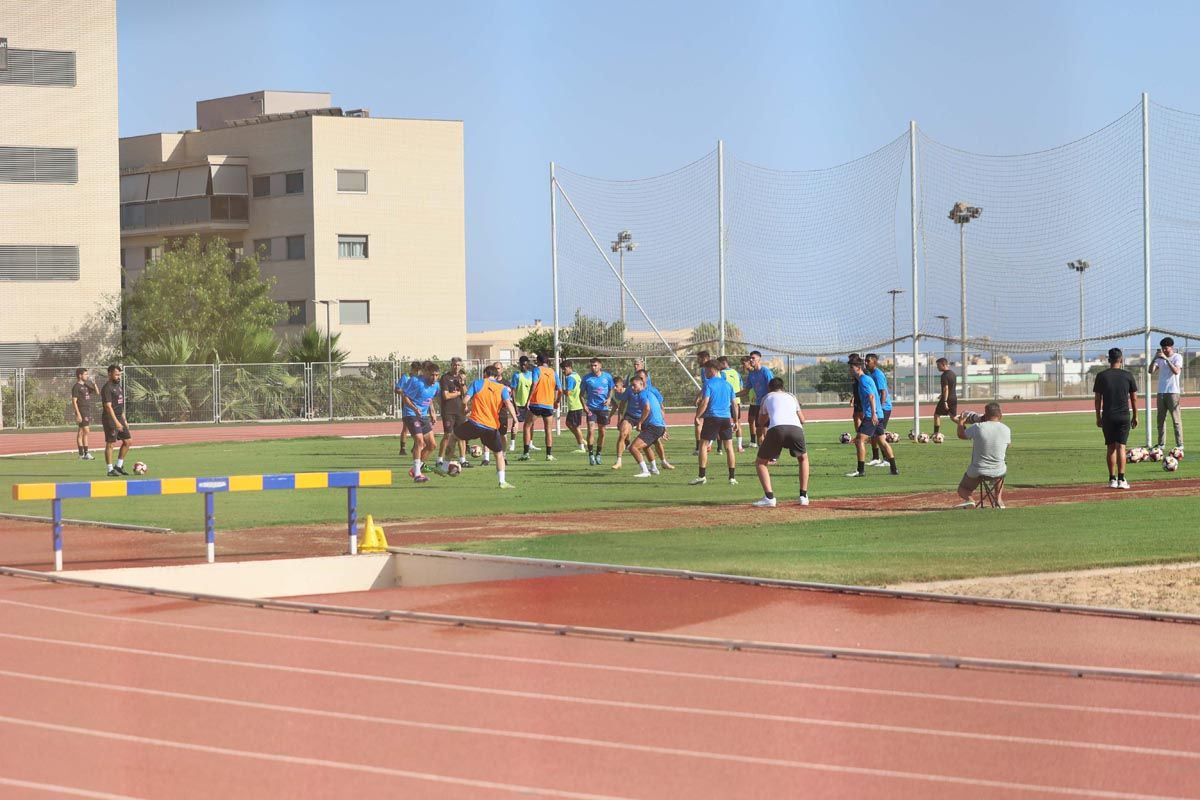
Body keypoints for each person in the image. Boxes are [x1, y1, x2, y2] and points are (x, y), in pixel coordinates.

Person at [440, 363, 520, 489]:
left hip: (475, 423)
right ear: (496, 375)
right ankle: (502, 482)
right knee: (499, 453)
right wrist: (516, 421)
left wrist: (464, 409)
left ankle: (444, 467)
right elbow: (509, 404)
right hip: (492, 427)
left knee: (454, 437)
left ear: (485, 374)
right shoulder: (503, 388)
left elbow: (465, 400)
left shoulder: (477, 383)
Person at [752, 377, 810, 507]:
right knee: (803, 459)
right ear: (783, 388)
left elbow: (760, 422)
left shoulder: (767, 397)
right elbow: (803, 419)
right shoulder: (791, 396)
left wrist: (768, 416)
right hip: (796, 429)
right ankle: (803, 496)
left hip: (776, 429)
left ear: (769, 388)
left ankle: (769, 498)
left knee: (761, 462)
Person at [1094, 347, 1139, 489]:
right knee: (1121, 447)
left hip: (1108, 416)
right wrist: (1136, 416)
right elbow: (1134, 398)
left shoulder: (1101, 376)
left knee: (1110, 448)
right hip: (1123, 416)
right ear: (1121, 359)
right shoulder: (1128, 375)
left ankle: (1112, 479)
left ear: (1109, 360)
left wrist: (1098, 416)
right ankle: (1122, 479)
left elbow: (1097, 399)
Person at [846, 356, 898, 477]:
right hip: (878, 415)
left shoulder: (864, 380)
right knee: (882, 441)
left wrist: (873, 414)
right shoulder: (865, 379)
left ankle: (860, 470)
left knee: (859, 440)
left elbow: (871, 397)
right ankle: (894, 469)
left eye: (851, 367)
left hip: (872, 415)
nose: (850, 370)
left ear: (858, 368)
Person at [953, 402, 1011, 509]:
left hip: (978, 470)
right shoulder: (1006, 429)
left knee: (963, 489)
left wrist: (961, 422)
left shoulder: (978, 427)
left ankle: (970, 500)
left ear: (985, 415)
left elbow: (961, 435)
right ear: (1000, 415)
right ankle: (998, 500)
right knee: (1002, 466)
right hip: (998, 470)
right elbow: (1007, 446)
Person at [691, 360, 737, 486]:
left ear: (712, 369)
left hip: (712, 417)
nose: (705, 372)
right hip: (726, 418)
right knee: (729, 448)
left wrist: (697, 416)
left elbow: (705, 402)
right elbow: (734, 404)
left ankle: (701, 476)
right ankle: (732, 478)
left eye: (706, 370)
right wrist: (736, 420)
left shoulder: (709, 384)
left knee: (703, 446)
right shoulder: (728, 385)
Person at [402, 362, 440, 483]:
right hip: (411, 414)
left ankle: (415, 469)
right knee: (419, 441)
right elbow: (405, 396)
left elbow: (430, 399)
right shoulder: (415, 381)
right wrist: (414, 409)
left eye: (436, 375)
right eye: (432, 375)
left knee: (432, 445)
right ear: (426, 373)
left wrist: (432, 411)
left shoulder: (436, 386)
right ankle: (418, 474)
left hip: (423, 416)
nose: (434, 378)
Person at [521, 352, 559, 461]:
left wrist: (528, 400)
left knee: (527, 426)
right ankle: (549, 455)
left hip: (536, 403)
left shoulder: (537, 370)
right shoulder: (553, 372)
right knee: (548, 429)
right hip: (548, 405)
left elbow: (534, 384)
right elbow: (559, 389)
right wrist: (557, 401)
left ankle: (526, 453)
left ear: (538, 361)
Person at [628, 374, 668, 477]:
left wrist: (640, 423)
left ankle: (645, 471)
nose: (632, 388)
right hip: (657, 426)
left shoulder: (642, 394)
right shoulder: (648, 393)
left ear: (642, 384)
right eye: (631, 385)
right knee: (647, 447)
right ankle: (654, 469)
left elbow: (647, 408)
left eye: (634, 385)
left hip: (653, 427)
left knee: (633, 448)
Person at [1149, 336, 1184, 451]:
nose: (1164, 350)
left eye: (1166, 348)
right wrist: (1155, 357)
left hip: (1173, 392)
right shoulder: (1160, 358)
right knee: (1160, 420)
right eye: (1163, 348)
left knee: (1176, 420)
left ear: (1171, 347)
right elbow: (1150, 371)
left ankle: (1179, 445)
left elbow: (1176, 371)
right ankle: (1161, 444)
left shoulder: (1177, 357)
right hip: (1161, 392)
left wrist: (1167, 359)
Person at [437, 357, 471, 469]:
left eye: (458, 365)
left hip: (460, 411)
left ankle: (463, 460)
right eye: (454, 365)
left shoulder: (461, 378)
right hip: (448, 411)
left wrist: (462, 384)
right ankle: (440, 460)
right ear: (451, 365)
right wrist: (457, 394)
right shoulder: (445, 378)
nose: (456, 367)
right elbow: (446, 396)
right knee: (448, 435)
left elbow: (466, 395)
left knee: (461, 435)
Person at [580, 358, 616, 465]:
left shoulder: (607, 377)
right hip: (591, 408)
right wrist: (584, 406)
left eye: (595, 365)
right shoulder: (586, 378)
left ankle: (598, 454)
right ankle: (590, 454)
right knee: (591, 430)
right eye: (591, 365)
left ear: (600, 366)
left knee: (602, 432)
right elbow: (581, 395)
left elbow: (611, 389)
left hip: (603, 409)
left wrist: (609, 399)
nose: (593, 367)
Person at [611, 369, 648, 471]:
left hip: (644, 417)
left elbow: (654, 407)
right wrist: (620, 419)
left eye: (642, 377)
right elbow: (622, 403)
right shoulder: (630, 390)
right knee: (622, 434)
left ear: (645, 379)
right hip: (630, 416)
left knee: (653, 441)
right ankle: (618, 461)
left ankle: (662, 461)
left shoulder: (649, 391)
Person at [100, 364, 132, 477]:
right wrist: (116, 422)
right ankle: (110, 469)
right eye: (116, 374)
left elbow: (120, 404)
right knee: (110, 444)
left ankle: (118, 466)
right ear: (109, 374)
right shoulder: (107, 388)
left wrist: (124, 420)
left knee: (128, 441)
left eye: (119, 374)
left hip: (119, 417)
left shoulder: (118, 386)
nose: (118, 376)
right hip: (110, 418)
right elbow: (108, 407)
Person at [740, 350, 774, 449]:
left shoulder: (765, 372)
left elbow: (773, 388)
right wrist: (731, 395)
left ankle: (770, 454)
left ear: (759, 359)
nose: (751, 360)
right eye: (750, 358)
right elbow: (746, 391)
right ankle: (763, 453)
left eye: (753, 358)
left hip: (768, 404)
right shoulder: (751, 374)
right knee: (759, 430)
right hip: (759, 405)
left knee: (766, 429)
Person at [864, 354, 893, 467]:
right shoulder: (871, 374)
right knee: (874, 434)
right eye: (865, 361)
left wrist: (879, 408)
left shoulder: (878, 374)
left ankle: (886, 460)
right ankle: (876, 457)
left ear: (874, 362)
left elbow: (883, 392)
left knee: (879, 435)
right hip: (878, 409)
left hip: (884, 408)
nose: (866, 363)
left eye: (868, 361)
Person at [393, 360, 422, 455]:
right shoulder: (406, 377)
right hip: (407, 403)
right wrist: (404, 393)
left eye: (419, 370)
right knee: (406, 427)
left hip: (418, 404)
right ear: (412, 369)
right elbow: (397, 389)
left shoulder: (420, 379)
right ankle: (402, 448)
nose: (417, 372)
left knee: (418, 426)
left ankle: (415, 447)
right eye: (416, 370)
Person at [559, 360, 588, 453]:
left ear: (569, 368)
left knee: (575, 426)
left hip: (575, 405)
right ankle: (582, 440)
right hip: (576, 404)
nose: (563, 371)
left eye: (564, 369)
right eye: (562, 369)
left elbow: (569, 392)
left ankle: (581, 446)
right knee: (569, 424)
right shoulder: (577, 375)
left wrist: (560, 390)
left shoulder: (570, 378)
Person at [718, 355, 744, 453]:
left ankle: (720, 447)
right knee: (738, 422)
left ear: (723, 363)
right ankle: (739, 446)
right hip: (736, 401)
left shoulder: (722, 373)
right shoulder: (736, 373)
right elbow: (741, 386)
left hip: (726, 402)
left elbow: (720, 386)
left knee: (723, 422)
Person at [70, 367, 97, 460]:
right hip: (82, 411)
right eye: (85, 374)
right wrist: (78, 414)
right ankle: (85, 453)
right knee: (86, 431)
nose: (87, 376)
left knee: (82, 432)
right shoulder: (76, 387)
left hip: (87, 410)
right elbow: (74, 401)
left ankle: (82, 454)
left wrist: (94, 383)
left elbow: (97, 392)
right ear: (80, 375)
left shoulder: (85, 386)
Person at [509, 356, 535, 452]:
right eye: (521, 364)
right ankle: (512, 443)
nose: (523, 366)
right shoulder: (516, 375)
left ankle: (531, 443)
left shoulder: (532, 375)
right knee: (515, 423)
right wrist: (515, 404)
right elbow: (513, 391)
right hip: (519, 403)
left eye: (525, 364)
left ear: (527, 364)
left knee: (531, 424)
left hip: (529, 404)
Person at [691, 349, 711, 455]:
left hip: (708, 398)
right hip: (716, 398)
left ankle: (699, 448)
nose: (698, 361)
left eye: (699, 358)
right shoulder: (715, 368)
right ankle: (716, 447)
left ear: (704, 358)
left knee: (698, 421)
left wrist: (698, 397)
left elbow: (706, 385)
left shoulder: (705, 369)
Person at [933, 358, 958, 437]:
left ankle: (936, 434)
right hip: (954, 398)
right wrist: (942, 394)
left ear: (943, 364)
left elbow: (946, 388)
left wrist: (945, 401)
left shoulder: (944, 375)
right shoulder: (953, 374)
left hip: (947, 399)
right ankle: (965, 429)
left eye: (938, 365)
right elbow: (950, 387)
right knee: (953, 417)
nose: (937, 367)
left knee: (936, 415)